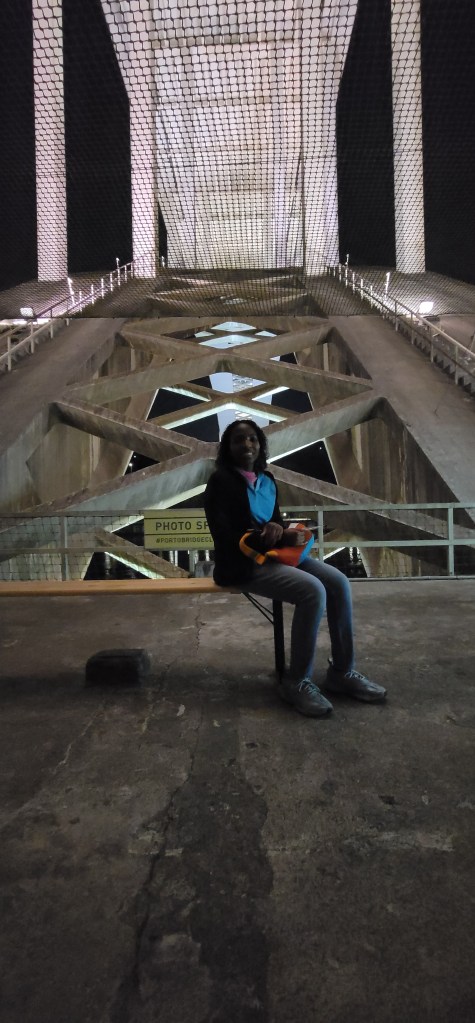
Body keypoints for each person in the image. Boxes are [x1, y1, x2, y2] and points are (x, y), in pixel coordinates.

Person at [204, 419, 387, 718]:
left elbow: (274, 520)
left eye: (252, 439)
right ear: (227, 447)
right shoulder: (220, 482)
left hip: (276, 555)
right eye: (239, 439)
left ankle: (342, 672)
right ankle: (296, 681)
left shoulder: (267, 480)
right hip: (242, 564)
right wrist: (262, 537)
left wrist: (280, 528)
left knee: (338, 582)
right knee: (312, 590)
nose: (247, 444)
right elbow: (223, 534)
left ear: (260, 445)